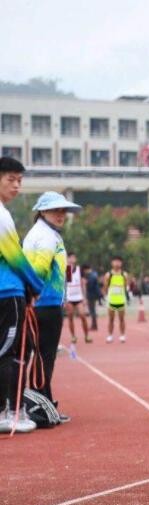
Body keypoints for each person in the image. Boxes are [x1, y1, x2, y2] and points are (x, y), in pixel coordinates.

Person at [23, 191, 83, 423]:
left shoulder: (45, 233)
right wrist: (35, 294)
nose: (61, 215)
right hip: (44, 305)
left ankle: (43, 402)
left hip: (45, 303)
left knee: (41, 356)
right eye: (56, 210)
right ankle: (39, 405)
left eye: (63, 211)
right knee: (43, 356)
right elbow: (38, 269)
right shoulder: (46, 236)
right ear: (42, 211)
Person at [0, 157, 44, 434]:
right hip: (8, 292)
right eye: (10, 180)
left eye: (20, 181)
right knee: (7, 351)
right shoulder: (2, 215)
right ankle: (6, 412)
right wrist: (36, 285)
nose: (16, 186)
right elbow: (15, 257)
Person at [64, 252, 91, 344]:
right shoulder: (66, 269)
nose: (72, 259)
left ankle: (87, 335)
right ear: (67, 259)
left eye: (73, 257)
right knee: (70, 316)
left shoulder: (80, 270)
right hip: (69, 297)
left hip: (79, 297)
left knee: (83, 315)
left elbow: (83, 284)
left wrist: (85, 297)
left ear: (75, 259)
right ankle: (73, 336)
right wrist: (64, 299)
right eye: (70, 258)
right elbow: (64, 284)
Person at [102, 256, 129, 343]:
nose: (117, 263)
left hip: (121, 300)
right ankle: (110, 335)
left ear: (121, 263)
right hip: (111, 300)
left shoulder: (124, 275)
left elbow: (126, 286)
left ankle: (122, 335)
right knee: (111, 319)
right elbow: (105, 287)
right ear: (112, 263)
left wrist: (127, 295)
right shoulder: (108, 275)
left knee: (122, 319)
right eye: (115, 261)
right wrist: (105, 296)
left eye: (119, 262)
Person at [83, 263, 101, 331]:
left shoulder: (91, 276)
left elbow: (90, 286)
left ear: (86, 269)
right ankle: (94, 325)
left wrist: (86, 283)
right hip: (94, 294)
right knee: (92, 310)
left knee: (92, 311)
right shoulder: (94, 274)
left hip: (91, 295)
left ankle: (94, 325)